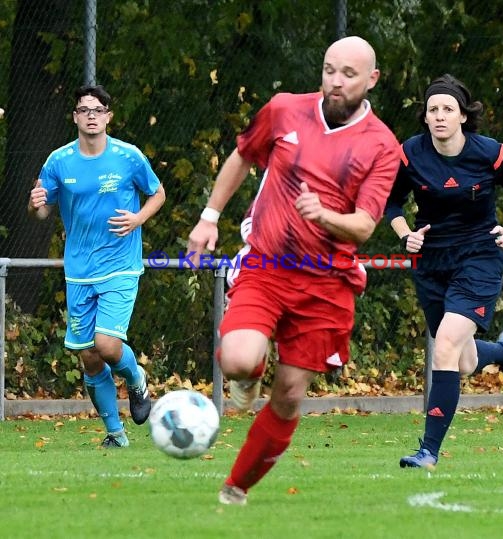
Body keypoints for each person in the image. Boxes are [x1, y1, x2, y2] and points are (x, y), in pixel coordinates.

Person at [186, 36, 400, 505]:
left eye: (348, 74)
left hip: (327, 282)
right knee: (238, 359)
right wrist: (209, 217)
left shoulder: (383, 145)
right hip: (267, 264)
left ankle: (236, 487)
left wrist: (323, 215)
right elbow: (243, 154)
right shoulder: (284, 110)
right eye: (329, 70)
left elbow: (364, 226)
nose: (336, 81)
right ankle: (251, 371)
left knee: (288, 394)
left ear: (371, 79)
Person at [385, 74, 503, 469]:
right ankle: (502, 351)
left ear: (463, 116)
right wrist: (406, 236)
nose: (439, 116)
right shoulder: (410, 154)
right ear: (426, 116)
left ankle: (428, 451)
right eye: (433, 109)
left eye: (448, 109)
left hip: (479, 255)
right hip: (432, 261)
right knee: (464, 360)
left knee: (446, 345)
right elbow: (391, 204)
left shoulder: (489, 152)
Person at [28, 85, 166, 447]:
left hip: (120, 264)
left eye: (97, 109)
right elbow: (42, 211)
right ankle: (116, 435)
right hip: (78, 270)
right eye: (83, 109)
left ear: (108, 116)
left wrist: (138, 219)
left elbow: (158, 192)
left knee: (106, 345)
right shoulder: (58, 161)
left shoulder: (129, 156)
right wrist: (36, 202)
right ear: (75, 117)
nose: (90, 115)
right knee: (89, 356)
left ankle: (136, 382)